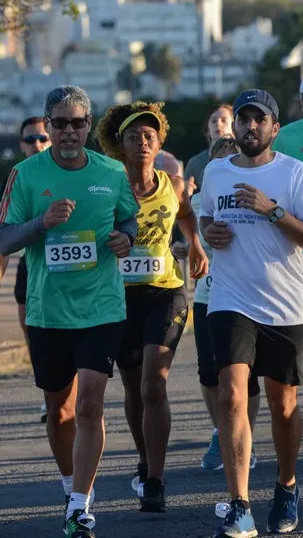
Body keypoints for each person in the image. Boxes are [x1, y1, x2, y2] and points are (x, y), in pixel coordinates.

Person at [0, 85, 139, 538]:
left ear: (87, 126)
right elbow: (3, 238)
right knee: (59, 409)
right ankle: (69, 484)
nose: (69, 131)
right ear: (47, 126)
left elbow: (128, 219)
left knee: (90, 406)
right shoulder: (26, 174)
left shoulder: (112, 171)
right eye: (60, 123)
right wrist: (42, 222)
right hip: (48, 311)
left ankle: (79, 504)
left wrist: (127, 239)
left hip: (101, 307)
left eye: (78, 122)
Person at [200, 88, 303, 537]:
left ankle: (287, 484)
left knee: (283, 402)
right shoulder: (215, 172)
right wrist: (208, 232)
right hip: (230, 300)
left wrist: (272, 212)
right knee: (233, 395)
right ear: (234, 126)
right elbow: (204, 216)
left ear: (274, 127)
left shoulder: (294, 174)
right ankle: (239, 505)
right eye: (244, 119)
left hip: (285, 304)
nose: (251, 126)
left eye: (260, 119)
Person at [93, 101, 208, 512]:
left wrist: (193, 243)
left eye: (149, 136)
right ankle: (144, 463)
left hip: (165, 292)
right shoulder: (106, 185)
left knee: (152, 384)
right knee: (132, 389)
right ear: (119, 145)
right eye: (133, 137)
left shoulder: (173, 184)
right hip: (119, 296)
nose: (142, 142)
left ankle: (156, 480)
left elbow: (188, 214)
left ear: (159, 143)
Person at [192, 137, 263, 473]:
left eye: (233, 158)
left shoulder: (256, 199)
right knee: (209, 373)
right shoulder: (196, 203)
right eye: (220, 161)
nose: (228, 166)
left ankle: (242, 437)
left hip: (245, 297)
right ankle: (222, 431)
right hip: (207, 296)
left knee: (245, 378)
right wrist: (186, 249)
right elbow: (181, 239)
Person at [0, 118, 52, 348]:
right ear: (22, 144)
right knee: (35, 343)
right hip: (30, 267)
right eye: (30, 139)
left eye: (43, 138)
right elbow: (5, 239)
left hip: (68, 271)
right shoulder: (16, 179)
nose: (37, 144)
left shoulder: (76, 174)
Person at [186, 103, 234, 193]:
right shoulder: (195, 163)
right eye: (213, 121)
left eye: (223, 120)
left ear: (234, 126)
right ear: (207, 128)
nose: (218, 124)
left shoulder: (245, 159)